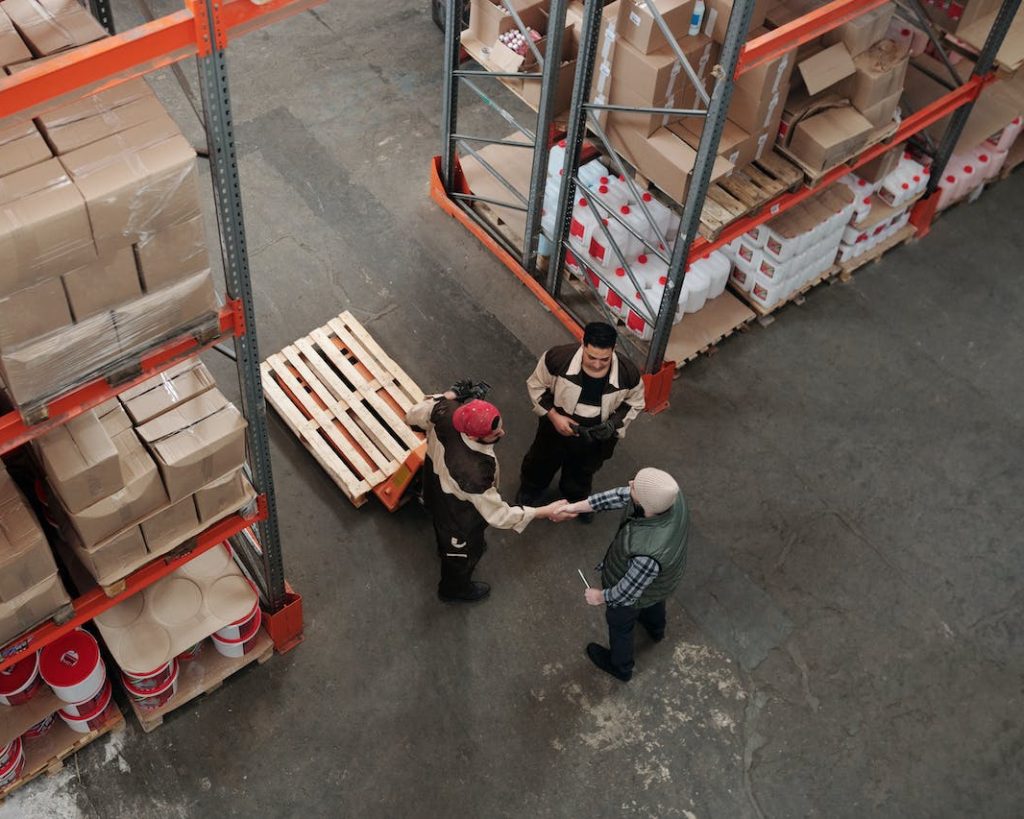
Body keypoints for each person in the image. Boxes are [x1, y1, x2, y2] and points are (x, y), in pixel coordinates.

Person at [406, 387, 569, 604]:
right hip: (458, 516)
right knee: (461, 557)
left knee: (439, 524)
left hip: (434, 488)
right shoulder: (473, 474)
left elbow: (412, 416)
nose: (502, 433)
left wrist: (448, 395)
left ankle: (444, 548)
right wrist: (543, 511)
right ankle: (453, 590)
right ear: (472, 435)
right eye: (495, 434)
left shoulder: (445, 409)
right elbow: (499, 515)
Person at [562, 468, 689, 682]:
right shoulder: (670, 498)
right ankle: (656, 629)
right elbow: (622, 495)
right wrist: (574, 507)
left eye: (634, 486)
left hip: (638, 590)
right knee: (654, 602)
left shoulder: (647, 555)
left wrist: (600, 596)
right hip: (662, 583)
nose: (630, 482)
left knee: (620, 624)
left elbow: (626, 593)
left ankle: (621, 667)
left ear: (645, 505)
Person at [516, 322, 645, 523]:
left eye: (604, 359)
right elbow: (536, 386)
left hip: (596, 437)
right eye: (591, 357)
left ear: (613, 349)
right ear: (583, 343)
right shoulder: (557, 359)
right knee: (541, 461)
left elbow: (634, 403)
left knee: (583, 471)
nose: (597, 364)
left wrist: (613, 424)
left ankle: (576, 500)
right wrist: (554, 416)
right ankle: (531, 490)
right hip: (554, 430)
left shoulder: (628, 374)